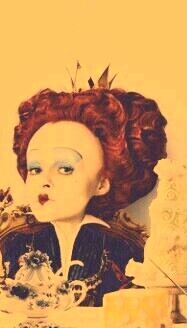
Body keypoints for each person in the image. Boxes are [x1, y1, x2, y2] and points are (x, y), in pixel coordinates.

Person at [5, 84, 167, 305]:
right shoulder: (15, 243)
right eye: (35, 169)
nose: (45, 181)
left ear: (102, 183)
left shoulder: (121, 249)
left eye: (65, 168)